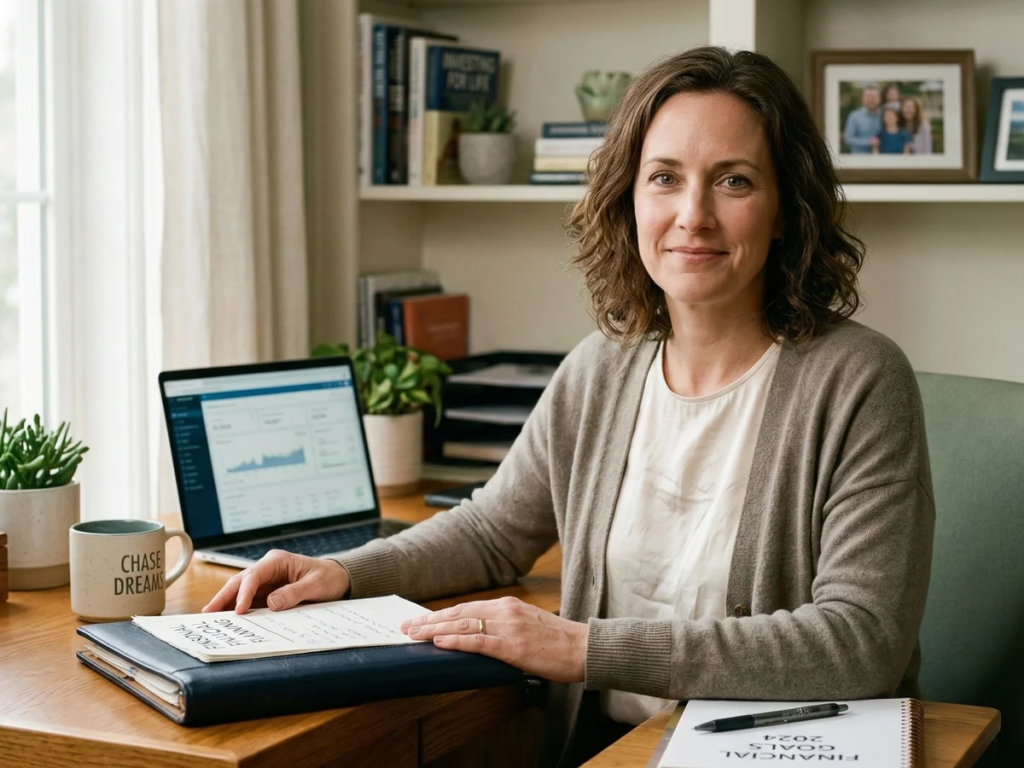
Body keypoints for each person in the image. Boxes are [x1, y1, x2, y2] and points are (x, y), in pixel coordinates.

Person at [205, 47, 934, 768]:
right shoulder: (603, 368)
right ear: (631, 199)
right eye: (665, 179)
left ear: (784, 210)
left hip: (772, 753)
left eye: (734, 181)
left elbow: (859, 641)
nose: (693, 215)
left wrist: (581, 648)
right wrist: (347, 574)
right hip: (602, 750)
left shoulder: (860, 381)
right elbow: (494, 530)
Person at [842, 84, 883, 153]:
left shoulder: (884, 116)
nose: (871, 100)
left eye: (874, 97)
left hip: (883, 158)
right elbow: (848, 139)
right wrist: (868, 142)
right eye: (868, 97)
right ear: (862, 98)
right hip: (858, 159)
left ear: (879, 99)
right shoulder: (854, 116)